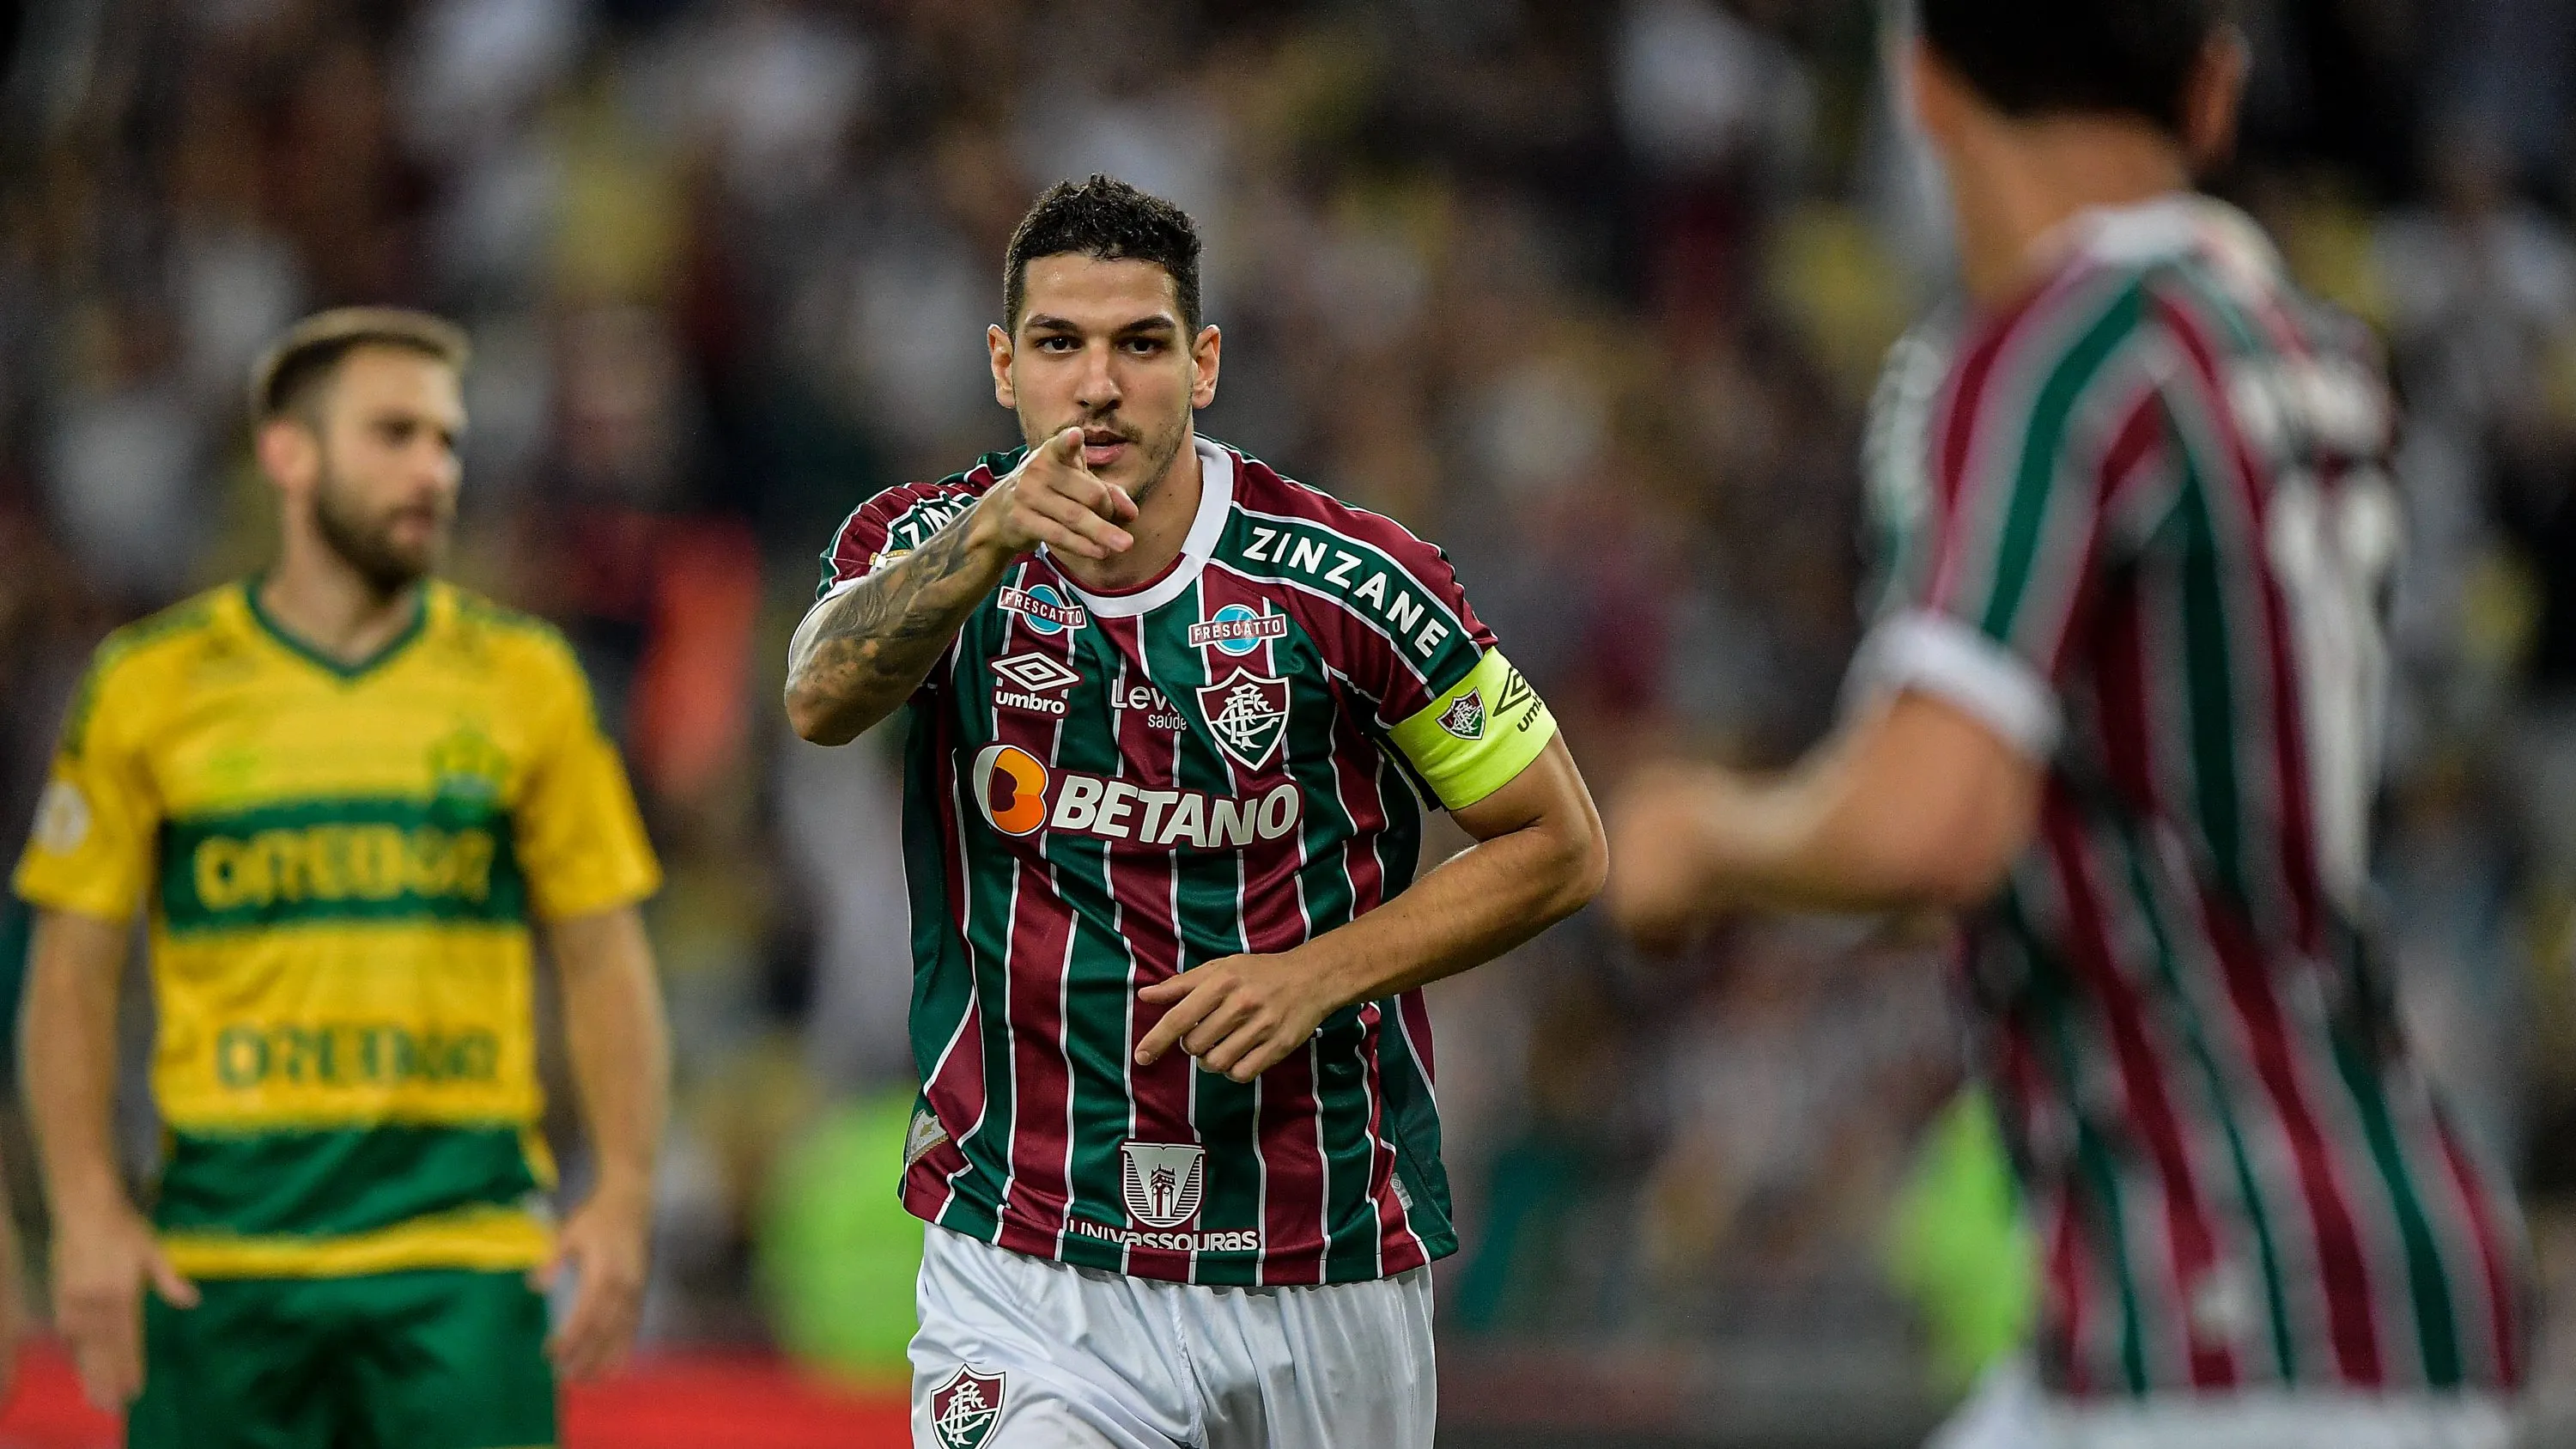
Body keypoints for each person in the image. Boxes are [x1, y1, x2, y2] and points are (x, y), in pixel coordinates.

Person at [1607, 3, 2528, 1446]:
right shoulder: (2310, 347)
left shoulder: (2054, 351)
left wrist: (1701, 835)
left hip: (2229, 1296)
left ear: (1920, 81)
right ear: (2215, 94)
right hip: (2340, 1261)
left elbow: (1935, 818)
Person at [786, 174, 1607, 1449]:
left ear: (1204, 362)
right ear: (1004, 365)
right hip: (1029, 1254)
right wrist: (991, 537)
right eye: (1059, 344)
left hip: (1315, 1250)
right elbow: (818, 696)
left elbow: (1560, 840)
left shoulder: (1351, 581)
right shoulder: (928, 546)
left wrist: (1320, 972)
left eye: (1141, 343)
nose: (1098, 384)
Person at [15, 308, 670, 1447]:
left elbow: (604, 951)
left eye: (448, 441)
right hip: (221, 1261)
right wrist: (82, 1208)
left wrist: (621, 1193)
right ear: (289, 452)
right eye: (394, 434)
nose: (433, 470)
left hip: (461, 1256)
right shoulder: (146, 685)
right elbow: (70, 969)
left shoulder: (527, 679)